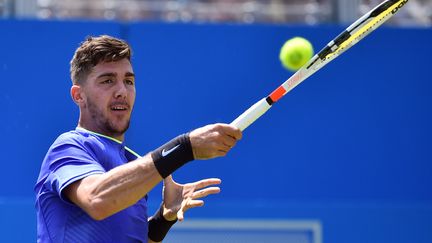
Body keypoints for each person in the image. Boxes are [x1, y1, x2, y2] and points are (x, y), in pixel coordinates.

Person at [34, 35, 242, 243]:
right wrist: (185, 148)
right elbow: (97, 199)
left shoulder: (131, 164)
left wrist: (163, 219)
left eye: (128, 81)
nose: (122, 91)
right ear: (79, 96)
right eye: (107, 81)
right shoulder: (69, 146)